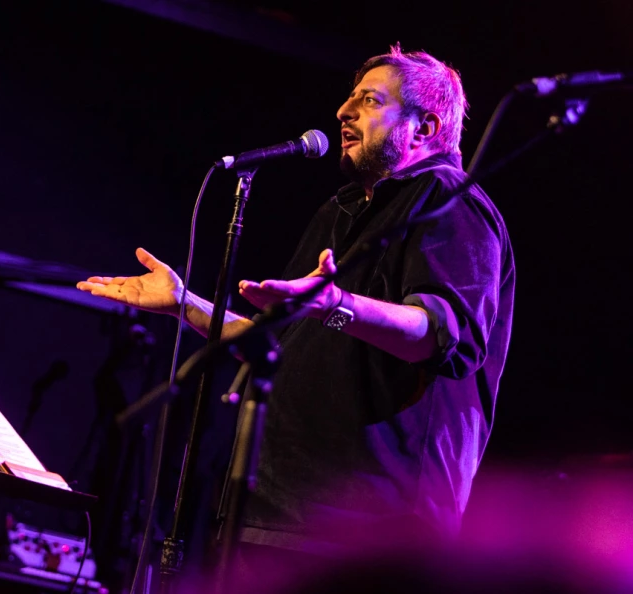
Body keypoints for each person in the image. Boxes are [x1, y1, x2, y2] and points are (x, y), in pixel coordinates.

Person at [76, 45, 514, 581]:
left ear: (423, 128)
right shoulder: (342, 210)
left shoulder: (451, 201)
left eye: (369, 100)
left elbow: (443, 335)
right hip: (274, 515)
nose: (343, 112)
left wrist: (336, 305)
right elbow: (280, 348)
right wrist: (185, 304)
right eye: (349, 98)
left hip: (372, 530)